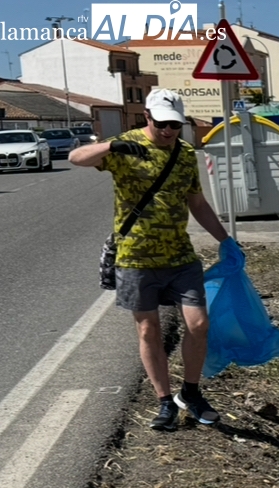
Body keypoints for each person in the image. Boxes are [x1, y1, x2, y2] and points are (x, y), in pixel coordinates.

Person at [70, 88, 235, 432]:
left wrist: (226, 240)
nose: (168, 131)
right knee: (148, 329)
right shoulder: (126, 145)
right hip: (135, 257)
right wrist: (110, 146)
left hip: (179, 256)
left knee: (198, 325)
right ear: (147, 116)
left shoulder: (186, 154)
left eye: (175, 125)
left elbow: (197, 202)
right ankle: (164, 402)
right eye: (162, 123)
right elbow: (77, 158)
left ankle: (190, 393)